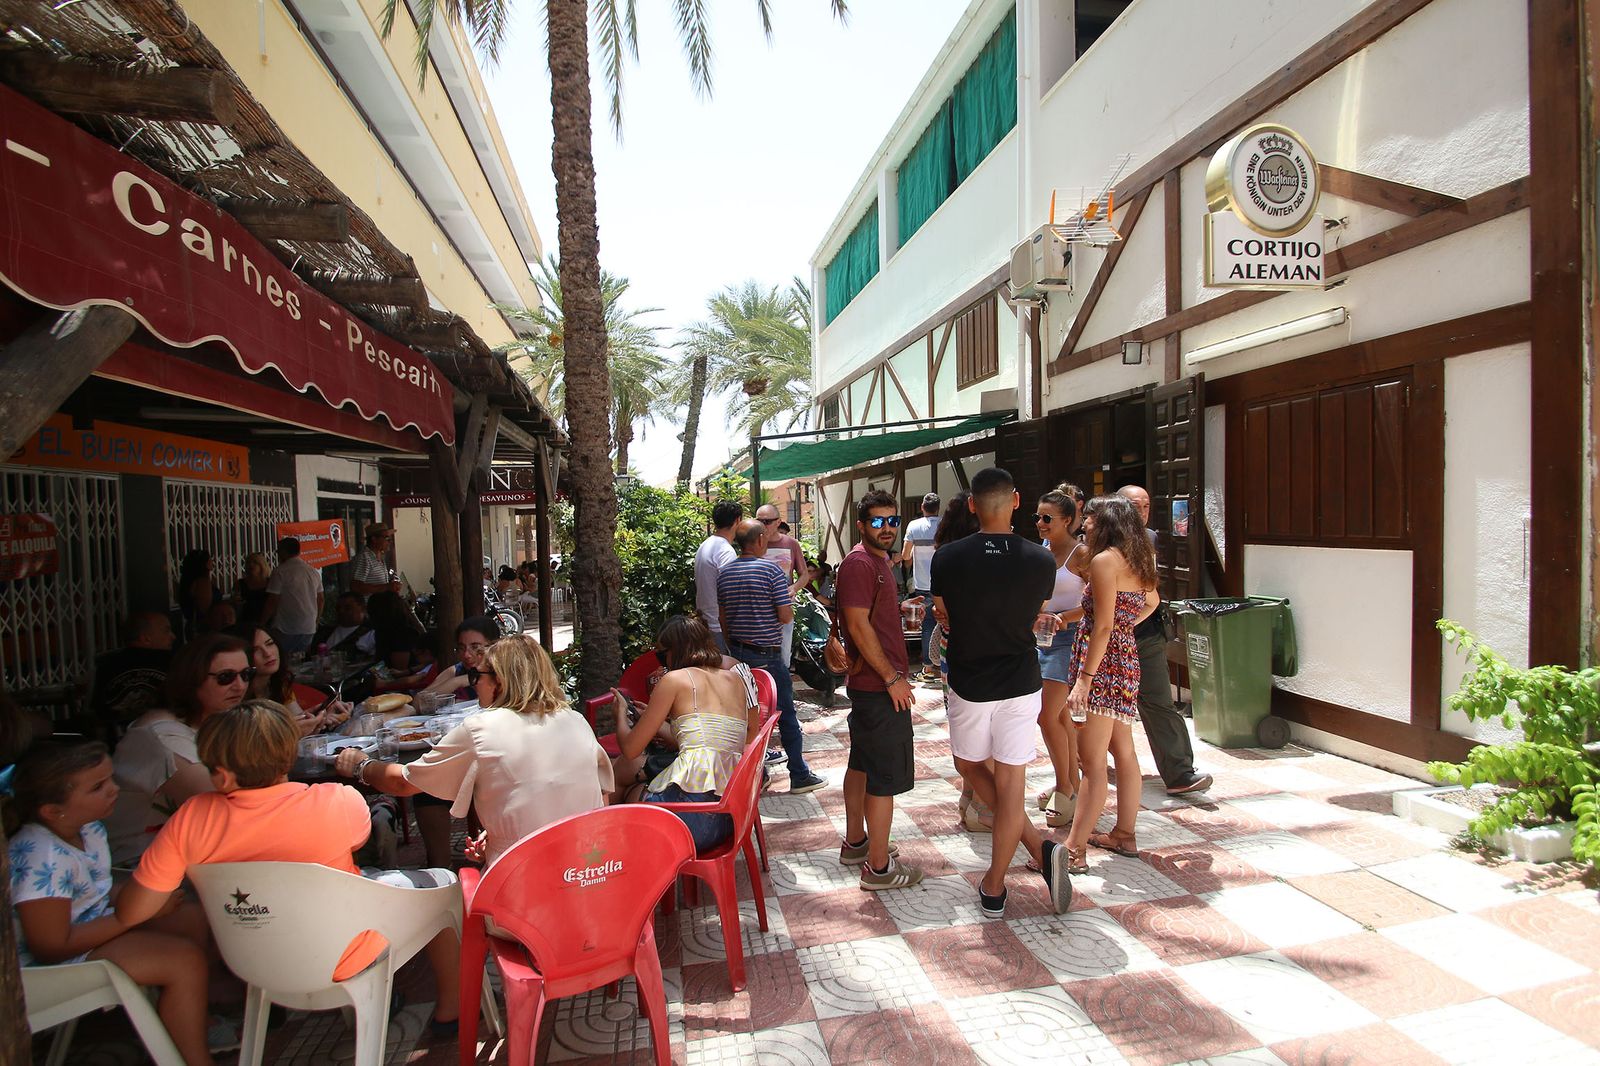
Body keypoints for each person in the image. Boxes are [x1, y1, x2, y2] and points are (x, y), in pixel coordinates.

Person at [116, 701, 462, 1039]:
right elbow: (360, 839)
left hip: (252, 964)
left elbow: (132, 911)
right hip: (347, 956)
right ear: (289, 756)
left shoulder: (190, 819)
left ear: (219, 773)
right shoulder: (336, 800)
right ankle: (453, 1010)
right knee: (442, 883)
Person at [9, 740, 222, 1066]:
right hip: (47, 967)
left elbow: (92, 890)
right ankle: (194, 1057)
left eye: (110, 779)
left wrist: (145, 898)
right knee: (184, 960)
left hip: (89, 929)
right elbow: (51, 945)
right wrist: (130, 917)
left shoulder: (87, 828)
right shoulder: (41, 855)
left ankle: (193, 1020)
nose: (113, 790)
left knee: (190, 918)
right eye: (98, 787)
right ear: (52, 810)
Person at [336, 636, 612, 867]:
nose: (473, 682)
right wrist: (504, 838)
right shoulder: (574, 720)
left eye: (476, 675)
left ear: (499, 681)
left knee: (440, 896)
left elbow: (403, 782)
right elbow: (598, 801)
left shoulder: (482, 728)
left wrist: (361, 765)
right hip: (588, 874)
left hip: (524, 891)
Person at [931, 467, 1072, 917]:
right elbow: (1036, 615)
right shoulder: (1042, 560)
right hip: (1021, 680)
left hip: (971, 680)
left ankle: (998, 883)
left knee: (969, 764)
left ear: (972, 504)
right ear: (1014, 501)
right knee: (1011, 787)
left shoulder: (948, 558)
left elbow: (944, 616)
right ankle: (1028, 857)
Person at [1062, 494, 1160, 873]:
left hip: (1101, 668)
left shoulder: (1105, 561)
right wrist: (1124, 629)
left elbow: (1102, 624)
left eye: (1089, 519)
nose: (1084, 524)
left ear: (1105, 523)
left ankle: (1074, 850)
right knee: (1124, 751)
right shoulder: (1140, 559)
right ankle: (1123, 833)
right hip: (1125, 661)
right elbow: (1151, 603)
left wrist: (1084, 681)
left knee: (1092, 763)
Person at [835, 490, 923, 890]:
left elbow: (869, 619)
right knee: (884, 778)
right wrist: (891, 677)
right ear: (861, 525)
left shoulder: (879, 562)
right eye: (877, 521)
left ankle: (857, 843)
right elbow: (857, 625)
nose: (886, 528)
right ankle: (878, 868)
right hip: (877, 687)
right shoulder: (859, 564)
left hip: (873, 685)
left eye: (892, 521)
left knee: (863, 765)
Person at [105, 634, 251, 864]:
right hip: (139, 862)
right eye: (225, 677)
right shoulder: (161, 737)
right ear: (192, 680)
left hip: (188, 853)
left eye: (246, 674)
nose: (240, 685)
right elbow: (227, 803)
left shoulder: (211, 722)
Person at [616, 616, 759, 853]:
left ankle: (623, 865)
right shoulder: (735, 679)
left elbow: (630, 749)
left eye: (662, 655)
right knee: (638, 780)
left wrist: (620, 713)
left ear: (677, 650)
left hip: (694, 822)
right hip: (734, 817)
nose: (661, 663)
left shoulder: (674, 680)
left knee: (628, 786)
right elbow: (726, 736)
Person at [1117, 485, 1213, 796]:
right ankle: (1083, 763)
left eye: (1146, 505)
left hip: (1144, 634)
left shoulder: (1149, 539)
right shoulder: (1098, 540)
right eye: (1134, 505)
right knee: (1099, 709)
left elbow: (1149, 595)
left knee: (1158, 701)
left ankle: (1180, 772)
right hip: (1104, 637)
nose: (1141, 511)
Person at [717, 519, 825, 794]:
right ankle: (799, 774)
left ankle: (758, 774)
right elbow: (786, 615)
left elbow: (723, 618)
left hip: (738, 655)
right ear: (761, 540)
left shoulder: (725, 574)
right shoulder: (771, 572)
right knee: (784, 713)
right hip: (768, 655)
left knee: (747, 717)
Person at [927, 493, 988, 832]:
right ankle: (982, 803)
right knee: (984, 730)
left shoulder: (943, 558)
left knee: (961, 724)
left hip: (952, 652)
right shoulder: (986, 559)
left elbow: (944, 609)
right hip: (981, 652)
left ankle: (968, 795)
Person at [1034, 486, 1088, 829]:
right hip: (1040, 640)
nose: (1040, 523)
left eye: (1047, 518)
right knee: (1062, 719)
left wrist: (1063, 618)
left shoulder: (1081, 554)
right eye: (1037, 517)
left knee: (1045, 716)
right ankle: (1070, 785)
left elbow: (1097, 603)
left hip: (1067, 640)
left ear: (1068, 520)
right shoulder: (1041, 552)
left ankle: (1066, 787)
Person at [236, 623, 351, 736]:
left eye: (270, 644)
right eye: (256, 650)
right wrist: (291, 731)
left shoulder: (280, 684)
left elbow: (297, 719)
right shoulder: (236, 697)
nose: (267, 653)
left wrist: (323, 715)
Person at [90, 611, 176, 738]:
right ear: (146, 638)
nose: (173, 636)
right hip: (166, 736)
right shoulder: (175, 662)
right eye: (166, 630)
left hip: (118, 741)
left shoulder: (107, 664)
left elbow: (98, 712)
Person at [753, 503, 808, 666]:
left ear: (778, 522)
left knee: (783, 657)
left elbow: (804, 574)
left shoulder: (791, 544)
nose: (763, 525)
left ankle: (783, 688)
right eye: (759, 521)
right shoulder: (753, 543)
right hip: (759, 609)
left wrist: (794, 588)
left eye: (767, 521)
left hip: (783, 608)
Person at [900, 493, 942, 680]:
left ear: (923, 508)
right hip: (945, 583)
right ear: (938, 508)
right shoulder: (945, 525)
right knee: (948, 624)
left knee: (927, 625)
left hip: (924, 584)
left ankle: (928, 668)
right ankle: (945, 664)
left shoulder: (913, 526)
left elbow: (906, 555)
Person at [694, 500, 743, 654]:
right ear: (737, 521)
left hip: (706, 621)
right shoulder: (725, 551)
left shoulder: (705, 545)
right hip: (718, 626)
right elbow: (731, 593)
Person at [262, 536, 323, 657]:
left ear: (284, 552)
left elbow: (273, 601)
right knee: (302, 662)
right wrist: (316, 621)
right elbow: (321, 599)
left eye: (278, 551)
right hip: (308, 627)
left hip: (286, 627)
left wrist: (261, 623)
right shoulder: (313, 571)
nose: (278, 554)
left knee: (284, 660)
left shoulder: (280, 572)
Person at [420, 616, 497, 701]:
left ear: (494, 646)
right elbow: (418, 702)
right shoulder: (457, 671)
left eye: (475, 647)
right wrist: (457, 682)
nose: (466, 655)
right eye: (461, 648)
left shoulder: (505, 671)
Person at [314, 592, 376, 657]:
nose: (341, 611)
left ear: (363, 609)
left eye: (347, 608)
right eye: (338, 608)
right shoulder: (324, 632)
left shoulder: (373, 633)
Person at [350, 522, 400, 600]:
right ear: (374, 539)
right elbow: (356, 587)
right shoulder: (364, 558)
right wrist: (386, 587)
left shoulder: (380, 557)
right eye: (386, 538)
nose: (389, 541)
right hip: (369, 609)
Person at [175, 550, 215, 641]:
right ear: (204, 563)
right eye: (210, 559)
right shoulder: (202, 582)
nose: (212, 562)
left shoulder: (187, 581)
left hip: (192, 625)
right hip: (204, 627)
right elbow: (205, 607)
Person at [233, 552, 271, 627]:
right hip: (246, 620)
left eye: (255, 562)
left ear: (262, 565)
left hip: (267, 620)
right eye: (248, 562)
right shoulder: (240, 583)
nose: (251, 565)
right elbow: (234, 598)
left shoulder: (270, 582)